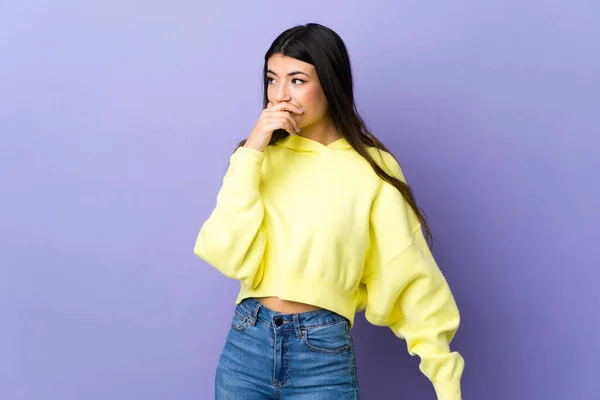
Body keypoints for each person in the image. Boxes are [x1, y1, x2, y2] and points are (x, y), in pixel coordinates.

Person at [194, 22, 464, 400]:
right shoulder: (258, 159)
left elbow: (410, 275)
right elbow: (224, 251)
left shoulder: (372, 169)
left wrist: (445, 377)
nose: (280, 96)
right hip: (246, 345)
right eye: (272, 80)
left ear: (331, 83)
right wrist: (252, 150)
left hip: (322, 357)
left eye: (297, 80)